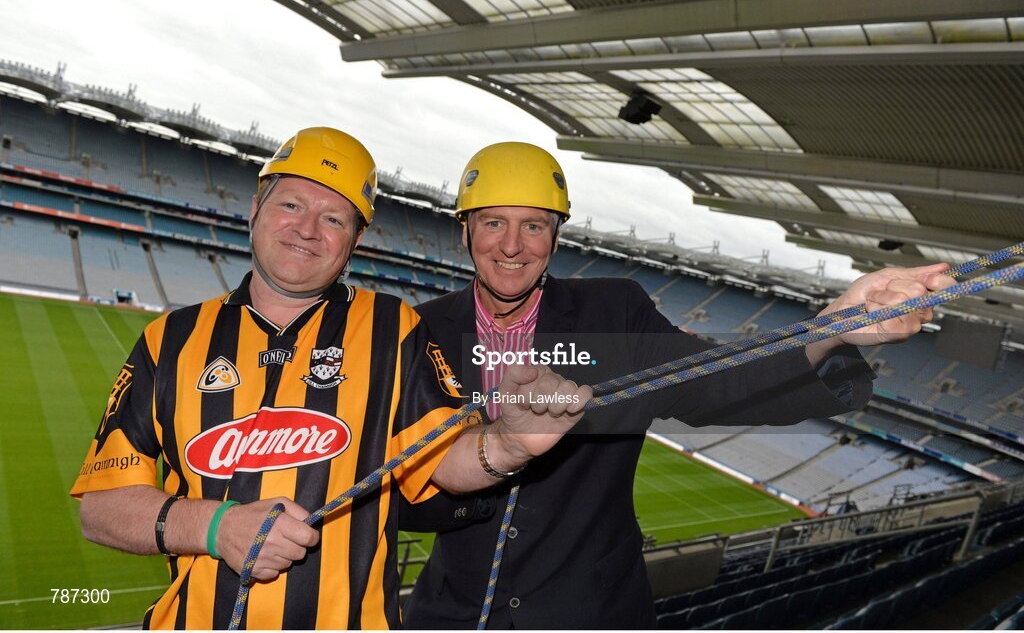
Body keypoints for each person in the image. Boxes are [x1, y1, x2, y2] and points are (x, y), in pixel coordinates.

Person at [399, 142, 956, 629]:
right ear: (464, 228)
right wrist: (493, 458)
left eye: (535, 225)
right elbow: (406, 494)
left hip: (595, 615)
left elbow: (716, 380)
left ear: (557, 235)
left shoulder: (613, 313)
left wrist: (831, 326)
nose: (512, 245)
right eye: (493, 222)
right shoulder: (421, 331)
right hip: (455, 613)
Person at [70, 128, 590, 630]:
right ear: (255, 209)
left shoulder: (395, 328)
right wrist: (213, 526)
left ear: (356, 239)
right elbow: (102, 507)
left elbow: (442, 458)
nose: (308, 230)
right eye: (291, 204)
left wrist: (506, 445)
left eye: (335, 218)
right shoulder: (170, 339)